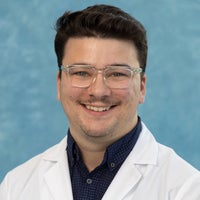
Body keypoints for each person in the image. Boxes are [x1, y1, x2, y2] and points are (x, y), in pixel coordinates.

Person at [0, 4, 200, 200]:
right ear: (59, 83)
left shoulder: (187, 189)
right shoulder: (16, 186)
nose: (98, 91)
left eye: (117, 74)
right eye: (81, 72)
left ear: (141, 87)